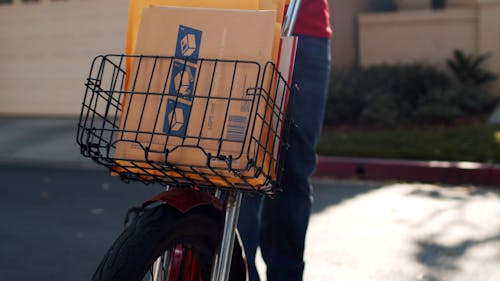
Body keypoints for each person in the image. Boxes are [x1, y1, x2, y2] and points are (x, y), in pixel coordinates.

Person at [237, 0, 332, 280]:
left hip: (305, 30)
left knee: (293, 169)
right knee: (243, 164)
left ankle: (286, 274)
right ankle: (237, 271)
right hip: (247, 22)